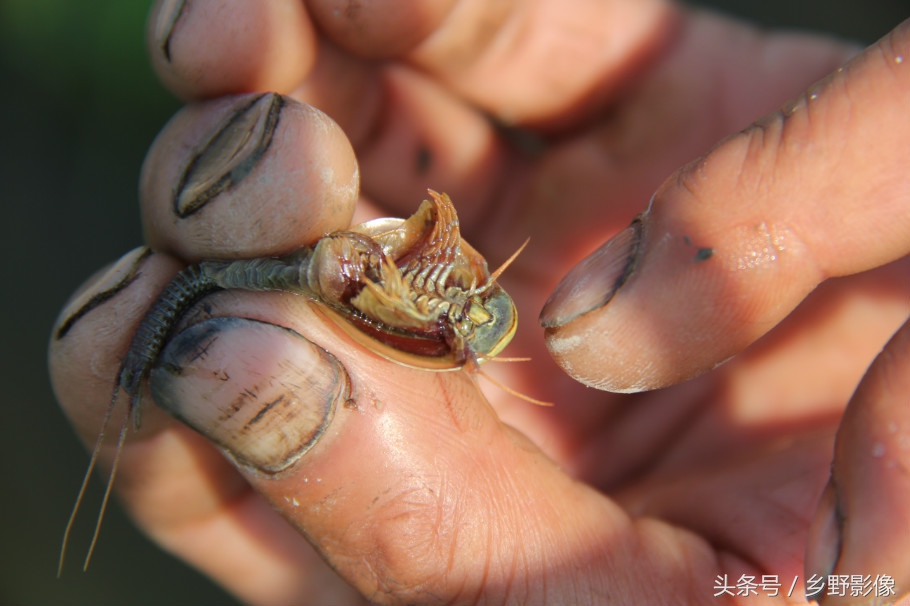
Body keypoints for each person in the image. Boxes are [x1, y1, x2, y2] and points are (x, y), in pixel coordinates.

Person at [49, 0, 910, 604]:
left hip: (355, 284)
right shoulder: (462, 285)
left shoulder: (457, 329)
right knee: (242, 219)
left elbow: (444, 321)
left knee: (230, 253)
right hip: (356, 263)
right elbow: (438, 242)